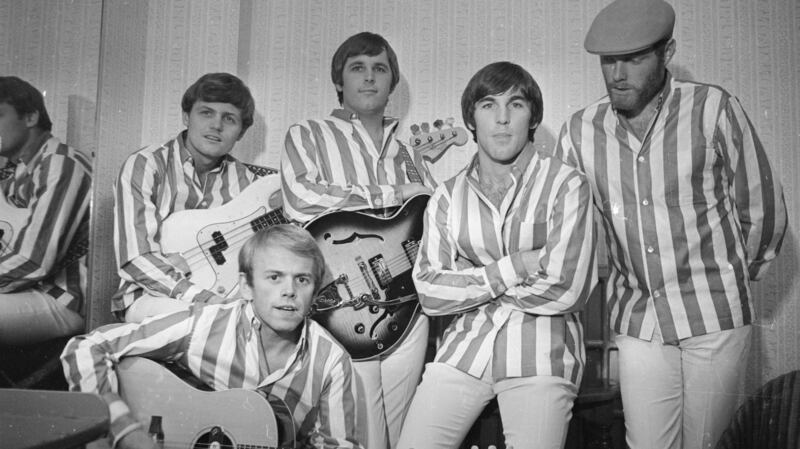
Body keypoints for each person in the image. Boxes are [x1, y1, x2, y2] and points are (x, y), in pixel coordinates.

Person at [552, 1, 788, 448]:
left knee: (710, 442)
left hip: (715, 316)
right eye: (608, 61)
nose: (617, 74)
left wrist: (733, 278)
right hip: (638, 319)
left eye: (635, 58)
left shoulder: (713, 109)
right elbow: (569, 230)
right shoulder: (579, 132)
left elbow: (762, 209)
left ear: (667, 52)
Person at [397, 61, 597, 449]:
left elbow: (567, 289)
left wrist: (470, 280)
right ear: (470, 119)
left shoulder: (567, 185)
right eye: (488, 105)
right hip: (463, 351)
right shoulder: (447, 196)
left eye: (516, 105)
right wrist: (519, 265)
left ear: (533, 116)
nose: (502, 119)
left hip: (543, 354)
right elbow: (429, 292)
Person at [61, 224, 362, 449]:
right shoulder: (206, 325)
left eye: (303, 279)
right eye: (274, 277)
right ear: (246, 286)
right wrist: (127, 432)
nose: (289, 291)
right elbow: (86, 348)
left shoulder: (332, 362)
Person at [280, 32, 434, 449]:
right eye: (358, 68)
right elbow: (300, 199)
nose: (369, 78)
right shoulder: (308, 133)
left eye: (380, 68)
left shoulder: (407, 152)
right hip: (343, 302)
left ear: (392, 83)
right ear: (339, 82)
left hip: (408, 300)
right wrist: (389, 194)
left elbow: (428, 215)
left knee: (406, 428)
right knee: (359, 426)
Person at [113, 72, 272, 323]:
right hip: (149, 297)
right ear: (187, 116)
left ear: (241, 132)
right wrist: (203, 298)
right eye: (206, 113)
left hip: (225, 299)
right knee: (217, 323)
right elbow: (137, 258)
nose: (216, 125)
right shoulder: (147, 165)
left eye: (229, 119)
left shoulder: (249, 184)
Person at [0, 76, 92, 345]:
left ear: (30, 118)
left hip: (62, 296)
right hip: (27, 289)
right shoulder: (19, 168)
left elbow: (34, 260)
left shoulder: (60, 165)